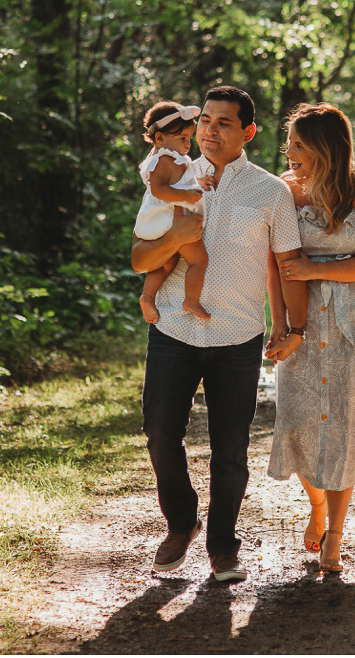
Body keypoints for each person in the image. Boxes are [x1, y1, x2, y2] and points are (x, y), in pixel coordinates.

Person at [131, 85, 307, 582]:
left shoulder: (272, 192)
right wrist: (175, 237)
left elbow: (288, 264)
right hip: (172, 327)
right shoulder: (172, 175)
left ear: (248, 131)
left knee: (230, 447)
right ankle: (181, 522)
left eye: (223, 122)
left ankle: (223, 545)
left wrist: (292, 327)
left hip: (238, 334)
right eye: (204, 119)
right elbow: (140, 259)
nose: (209, 129)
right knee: (161, 430)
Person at [265, 102, 355, 574]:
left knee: (343, 427)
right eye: (290, 143)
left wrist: (312, 268)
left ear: (327, 147)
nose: (290, 152)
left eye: (299, 144)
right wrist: (281, 323)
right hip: (304, 322)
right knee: (299, 423)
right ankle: (317, 508)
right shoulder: (282, 190)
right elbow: (275, 265)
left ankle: (335, 538)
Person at [135, 102, 214, 323]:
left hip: (166, 222)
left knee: (167, 263)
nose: (188, 144)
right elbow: (159, 190)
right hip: (172, 221)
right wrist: (186, 196)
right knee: (199, 261)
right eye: (182, 139)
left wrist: (198, 182)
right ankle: (191, 299)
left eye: (189, 138)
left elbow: (179, 182)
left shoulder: (172, 159)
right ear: (160, 138)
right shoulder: (162, 161)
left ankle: (148, 297)